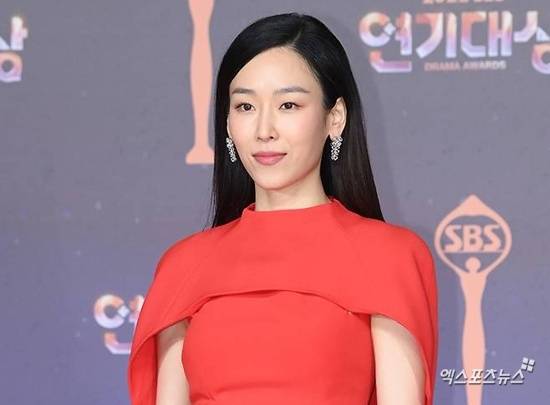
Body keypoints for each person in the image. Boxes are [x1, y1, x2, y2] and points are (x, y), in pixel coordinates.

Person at [127, 12, 438, 405]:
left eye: (288, 105)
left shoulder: (388, 256)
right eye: (245, 107)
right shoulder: (183, 266)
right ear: (228, 123)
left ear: (335, 118)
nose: (264, 130)